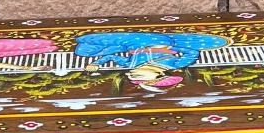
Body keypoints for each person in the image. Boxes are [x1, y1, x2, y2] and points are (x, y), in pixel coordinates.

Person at [74, 32, 229, 89]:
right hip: (159, 40)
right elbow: (193, 53)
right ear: (159, 76)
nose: (130, 75)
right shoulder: (174, 63)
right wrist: (172, 48)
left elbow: (110, 57)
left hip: (130, 44)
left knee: (82, 51)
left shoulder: (129, 64)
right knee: (85, 41)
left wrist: (96, 64)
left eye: (131, 77)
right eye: (137, 77)